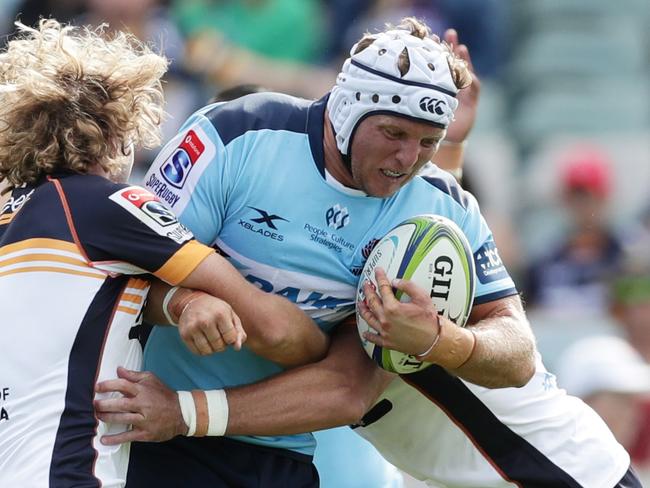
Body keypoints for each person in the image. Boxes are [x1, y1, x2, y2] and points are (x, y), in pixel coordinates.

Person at [96, 17, 640, 487]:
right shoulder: (236, 136)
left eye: (428, 141)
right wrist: (184, 303)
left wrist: (438, 338)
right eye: (393, 134)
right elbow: (123, 265)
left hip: (280, 444)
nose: (408, 159)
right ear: (348, 108)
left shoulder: (435, 207)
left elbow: (512, 354)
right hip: (146, 419)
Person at [0, 19, 328, 488]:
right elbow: (270, 324)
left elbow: (90, 297)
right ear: (116, 134)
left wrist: (182, 303)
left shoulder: (12, 216)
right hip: (66, 475)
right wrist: (328, 344)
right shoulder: (107, 205)